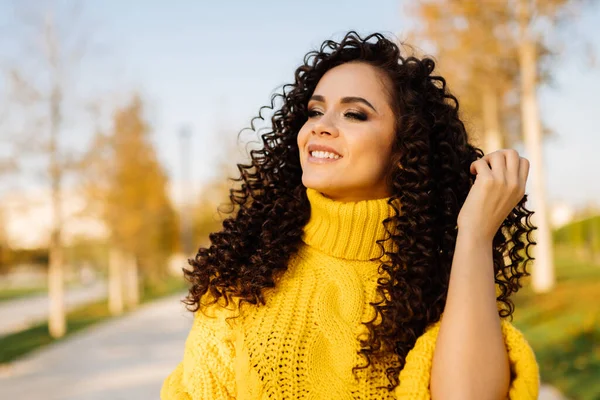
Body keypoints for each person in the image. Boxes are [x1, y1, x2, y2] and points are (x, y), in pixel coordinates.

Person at [161, 31, 540, 399]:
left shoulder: (434, 282)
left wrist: (474, 234)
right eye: (315, 110)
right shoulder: (245, 275)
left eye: (354, 114)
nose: (321, 127)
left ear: (404, 149)